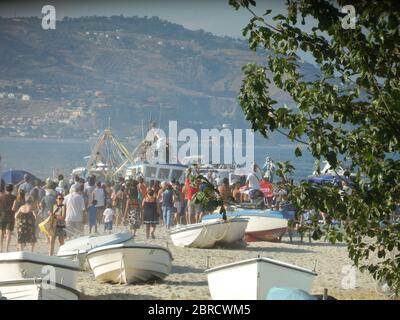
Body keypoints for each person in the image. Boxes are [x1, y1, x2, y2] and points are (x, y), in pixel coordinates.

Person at [0, 184, 16, 252]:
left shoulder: (1, 197)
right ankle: (7, 248)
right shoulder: (14, 197)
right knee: (8, 233)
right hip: (11, 216)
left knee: (1, 232)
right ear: (12, 190)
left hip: (2, 215)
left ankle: (0, 248)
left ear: (6, 189)